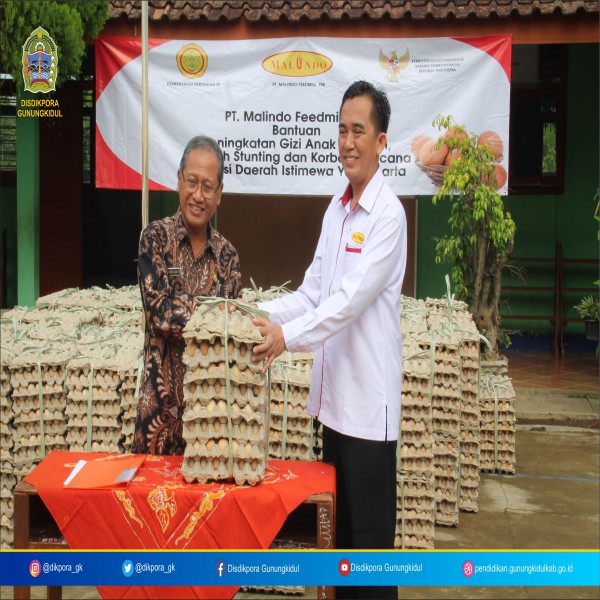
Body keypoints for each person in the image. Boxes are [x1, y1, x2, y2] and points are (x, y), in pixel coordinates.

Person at [252, 81, 407, 600]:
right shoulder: (336, 210)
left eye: (358, 130)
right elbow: (312, 291)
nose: (347, 141)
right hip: (333, 409)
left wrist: (284, 340)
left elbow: (346, 302)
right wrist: (254, 315)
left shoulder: (388, 216)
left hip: (368, 411)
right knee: (338, 549)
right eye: (341, 129)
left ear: (381, 141)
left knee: (369, 553)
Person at [132, 135, 242, 456]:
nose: (198, 195)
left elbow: (231, 331)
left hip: (211, 422)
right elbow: (159, 315)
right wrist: (213, 311)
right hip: (159, 419)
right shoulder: (154, 239)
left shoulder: (228, 257)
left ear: (219, 193)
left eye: (208, 187)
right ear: (179, 180)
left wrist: (199, 312)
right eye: (192, 182)